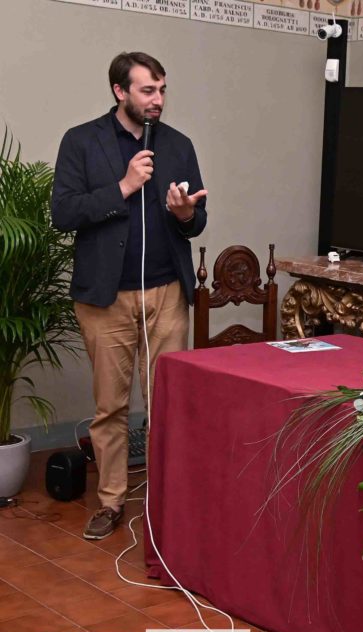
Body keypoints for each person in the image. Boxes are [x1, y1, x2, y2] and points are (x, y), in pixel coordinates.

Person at [51, 52, 208, 540]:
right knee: (111, 408)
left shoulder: (178, 145)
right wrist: (123, 186)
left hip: (167, 294)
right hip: (106, 298)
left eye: (162, 90)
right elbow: (63, 213)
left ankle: (168, 502)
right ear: (120, 91)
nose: (158, 100)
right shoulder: (81, 141)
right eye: (147, 90)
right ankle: (112, 501)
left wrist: (185, 214)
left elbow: (197, 221)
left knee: (167, 405)